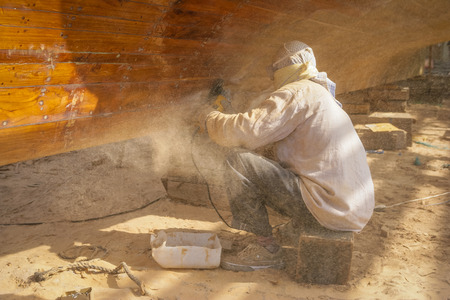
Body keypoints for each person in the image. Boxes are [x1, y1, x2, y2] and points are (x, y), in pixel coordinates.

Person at [201, 41, 375, 270]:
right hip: (350, 209)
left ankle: (267, 249)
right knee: (264, 162)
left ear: (281, 70)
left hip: (330, 207)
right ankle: (298, 227)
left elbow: (248, 131)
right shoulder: (320, 96)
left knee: (238, 162)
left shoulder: (299, 91)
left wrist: (209, 118)